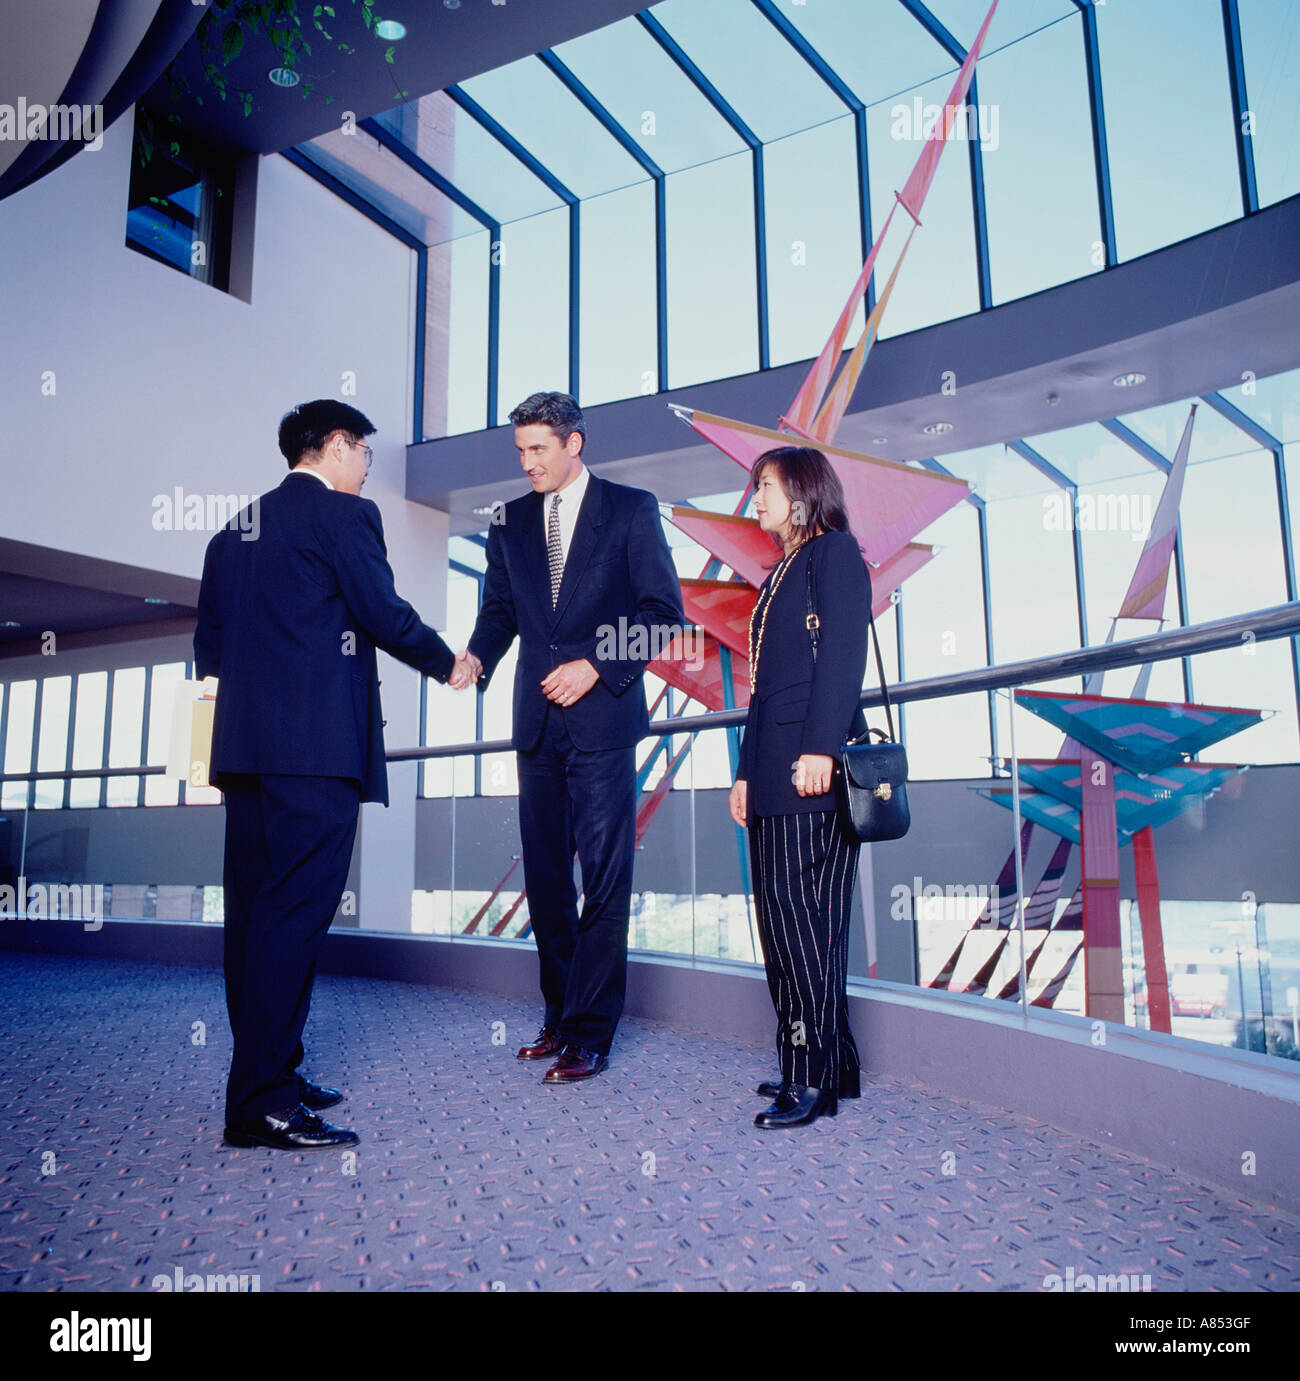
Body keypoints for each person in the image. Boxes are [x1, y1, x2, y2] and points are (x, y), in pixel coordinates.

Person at [195, 399, 473, 1151]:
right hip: (316, 753)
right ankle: (262, 1106)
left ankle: (270, 1068)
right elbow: (382, 612)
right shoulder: (343, 519)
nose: (367, 468)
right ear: (336, 447)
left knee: (253, 919)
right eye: (365, 453)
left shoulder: (232, 533)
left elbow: (209, 653)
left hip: (244, 755)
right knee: (295, 918)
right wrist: (450, 660)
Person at [455, 392, 684, 1083]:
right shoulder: (509, 521)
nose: (527, 463)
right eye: (520, 450)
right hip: (535, 724)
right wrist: (476, 656)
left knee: (604, 879)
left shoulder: (630, 509)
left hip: (602, 722)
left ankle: (592, 1031)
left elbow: (662, 614)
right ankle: (559, 1014)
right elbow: (499, 611)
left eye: (539, 449)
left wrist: (597, 665)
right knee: (548, 881)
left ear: (574, 444)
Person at [728, 446, 871, 1129]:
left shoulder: (834, 555)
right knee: (786, 927)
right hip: (775, 776)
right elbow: (761, 693)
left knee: (803, 927)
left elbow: (843, 656)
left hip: (811, 772)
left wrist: (820, 746)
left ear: (803, 491)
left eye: (766, 487)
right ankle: (821, 1063)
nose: (756, 499)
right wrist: (745, 773)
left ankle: (811, 1079)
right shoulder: (781, 571)